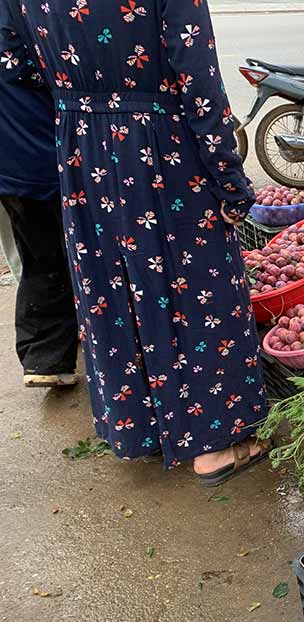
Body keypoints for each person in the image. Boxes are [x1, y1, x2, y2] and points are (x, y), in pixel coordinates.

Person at [2, 0, 269, 484]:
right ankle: (213, 447)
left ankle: (141, 428)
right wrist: (230, 182)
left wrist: (80, 97)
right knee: (199, 290)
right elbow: (200, 84)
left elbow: (15, 62)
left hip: (83, 146)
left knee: (114, 288)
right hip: (162, 147)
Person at [0, 6, 77, 387]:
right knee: (57, 255)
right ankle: (50, 356)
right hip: (39, 156)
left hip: (15, 162)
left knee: (35, 253)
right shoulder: (28, 12)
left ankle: (45, 358)